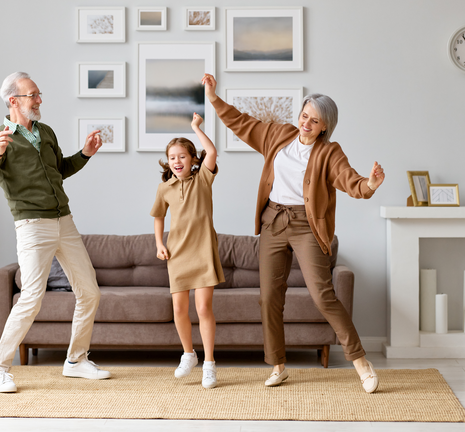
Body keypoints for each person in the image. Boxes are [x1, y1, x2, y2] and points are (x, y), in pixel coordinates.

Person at [201, 73, 385, 393]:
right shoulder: (278, 135)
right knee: (269, 297)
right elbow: (242, 123)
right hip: (273, 221)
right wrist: (214, 98)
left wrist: (368, 185)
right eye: (304, 116)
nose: (306, 124)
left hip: (305, 226)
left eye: (314, 121)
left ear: (324, 126)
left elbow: (348, 179)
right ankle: (278, 365)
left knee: (322, 295)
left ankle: (361, 363)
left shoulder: (329, 152)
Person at [0, 72, 110, 393]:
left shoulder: (45, 132)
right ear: (14, 101)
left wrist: (86, 154)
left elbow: (59, 170)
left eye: (38, 94)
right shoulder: (0, 137)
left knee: (90, 291)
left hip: (64, 220)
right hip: (32, 225)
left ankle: (76, 361)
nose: (39, 100)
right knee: (32, 299)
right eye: (33, 94)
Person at [150, 112, 225, 389]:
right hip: (178, 254)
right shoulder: (164, 188)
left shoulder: (203, 179)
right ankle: (189, 354)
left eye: (182, 156)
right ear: (167, 162)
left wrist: (196, 127)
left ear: (193, 159)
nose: (177, 161)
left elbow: (213, 151)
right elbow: (158, 216)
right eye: (172, 157)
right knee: (179, 309)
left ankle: (209, 364)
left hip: (203, 251)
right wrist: (159, 243)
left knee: (203, 308)